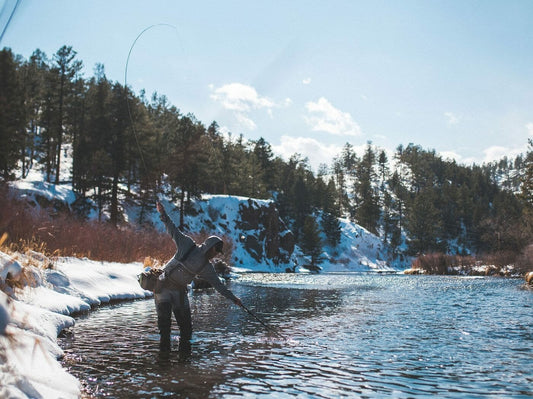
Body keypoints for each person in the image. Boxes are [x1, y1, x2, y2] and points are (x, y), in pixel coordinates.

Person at [154, 201, 242, 353]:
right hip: (164, 287)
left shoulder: (207, 268)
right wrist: (163, 213)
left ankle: (183, 366)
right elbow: (172, 230)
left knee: (187, 331)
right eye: (216, 250)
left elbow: (219, 286)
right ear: (210, 246)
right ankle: (163, 366)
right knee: (165, 330)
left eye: (218, 252)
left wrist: (234, 299)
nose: (216, 254)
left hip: (180, 292)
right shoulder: (187, 244)